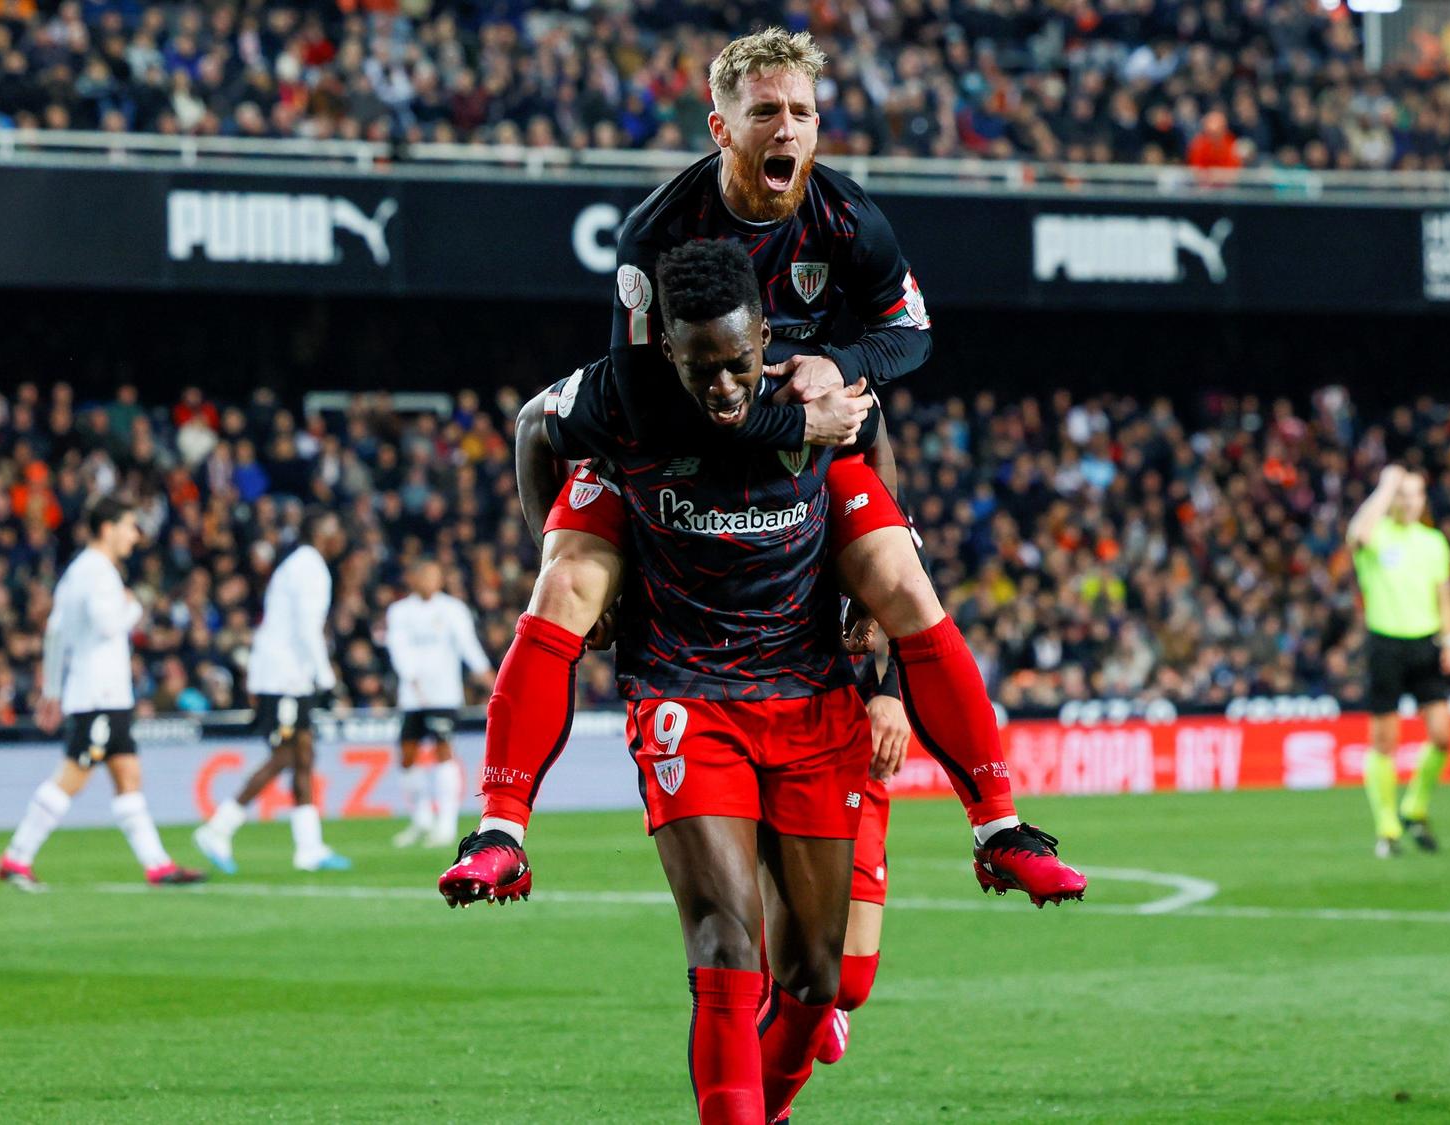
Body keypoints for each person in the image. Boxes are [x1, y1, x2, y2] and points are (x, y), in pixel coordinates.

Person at [446, 242, 1081, 1123]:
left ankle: (1000, 826)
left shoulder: (811, 388)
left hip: (810, 690)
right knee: (723, 941)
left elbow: (872, 442)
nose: (722, 388)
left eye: (738, 363)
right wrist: (553, 537)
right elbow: (531, 429)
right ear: (664, 347)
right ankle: (501, 825)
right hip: (683, 688)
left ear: (765, 338)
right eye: (700, 366)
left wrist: (879, 642)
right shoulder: (618, 396)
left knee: (821, 977)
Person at [462, 27, 1081, 912]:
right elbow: (649, 403)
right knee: (562, 583)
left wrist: (840, 364)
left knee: (904, 582)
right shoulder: (658, 234)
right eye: (764, 113)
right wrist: (801, 414)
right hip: (671, 439)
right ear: (721, 128)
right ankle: (500, 831)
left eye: (801, 111)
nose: (785, 128)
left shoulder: (849, 220)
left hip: (800, 436)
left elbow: (913, 335)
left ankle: (1000, 827)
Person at [0, 497, 207, 889]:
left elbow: (56, 633)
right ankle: (16, 857)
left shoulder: (78, 571)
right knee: (73, 776)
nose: (134, 535)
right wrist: (134, 608)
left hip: (103, 694)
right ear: (107, 528)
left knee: (128, 775)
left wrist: (53, 691)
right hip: (99, 694)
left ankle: (158, 865)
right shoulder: (98, 573)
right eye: (129, 526)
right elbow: (109, 625)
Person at [193, 512, 349, 873]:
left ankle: (309, 847)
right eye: (336, 530)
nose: (340, 538)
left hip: (289, 676)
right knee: (285, 755)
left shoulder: (298, 565)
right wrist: (327, 678)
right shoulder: (311, 570)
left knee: (304, 754)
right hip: (283, 678)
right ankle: (217, 828)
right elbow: (308, 630)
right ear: (324, 532)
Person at [1347, 466, 1450, 857]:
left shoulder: (1433, 542)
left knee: (1443, 735)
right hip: (1386, 644)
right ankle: (1388, 827)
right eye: (1402, 494)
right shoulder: (1376, 534)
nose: (1409, 502)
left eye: (1415, 495)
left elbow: (1443, 595)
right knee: (1385, 741)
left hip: (1425, 644)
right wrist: (1385, 484)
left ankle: (1415, 806)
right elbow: (1359, 533)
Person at [816, 610, 909, 1070]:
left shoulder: (848, 536)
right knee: (745, 970)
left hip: (848, 734)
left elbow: (913, 589)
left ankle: (821, 1003)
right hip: (748, 717)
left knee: (850, 984)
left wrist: (891, 691)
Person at [385, 559, 492, 848]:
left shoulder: (452, 610)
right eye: (425, 576)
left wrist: (487, 676)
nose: (429, 582)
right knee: (407, 756)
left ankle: (446, 822)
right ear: (415, 579)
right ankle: (422, 819)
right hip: (412, 696)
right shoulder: (399, 611)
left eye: (435, 576)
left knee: (443, 752)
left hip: (444, 693)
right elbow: (397, 647)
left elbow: (468, 645)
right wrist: (411, 677)